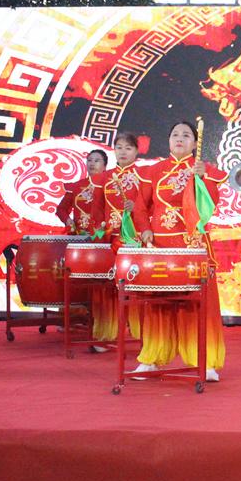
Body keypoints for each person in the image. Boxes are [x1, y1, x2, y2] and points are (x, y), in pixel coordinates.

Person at [131, 122, 227, 381]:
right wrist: (144, 230)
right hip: (161, 246)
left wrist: (203, 179)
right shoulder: (153, 171)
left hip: (192, 246)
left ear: (195, 143)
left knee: (197, 303)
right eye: (175, 134)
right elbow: (140, 207)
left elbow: (210, 206)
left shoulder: (202, 169)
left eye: (186, 135)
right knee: (157, 304)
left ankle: (203, 360)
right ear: (168, 140)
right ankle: (151, 357)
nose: (180, 138)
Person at [91, 132, 145, 343]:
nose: (123, 152)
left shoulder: (143, 175)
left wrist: (136, 207)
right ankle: (107, 333)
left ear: (136, 151)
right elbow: (96, 209)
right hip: (109, 240)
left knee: (135, 285)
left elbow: (151, 206)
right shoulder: (104, 177)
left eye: (128, 148)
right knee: (107, 288)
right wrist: (99, 230)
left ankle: (140, 332)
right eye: (119, 147)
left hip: (134, 241)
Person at [56, 150, 108, 235]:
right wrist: (68, 220)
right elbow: (61, 209)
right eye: (89, 160)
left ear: (105, 166)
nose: (92, 164)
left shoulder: (111, 186)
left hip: (105, 236)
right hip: (80, 235)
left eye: (96, 161)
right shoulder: (76, 186)